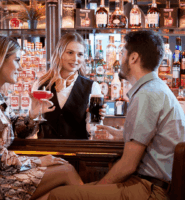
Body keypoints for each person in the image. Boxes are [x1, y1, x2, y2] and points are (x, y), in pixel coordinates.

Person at [47, 30, 185, 200]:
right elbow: (152, 138)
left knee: (58, 195)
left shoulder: (146, 94)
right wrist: (120, 134)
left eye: (122, 53)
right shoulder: (155, 89)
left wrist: (98, 188)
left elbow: (128, 165)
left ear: (133, 58)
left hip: (150, 189)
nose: (118, 59)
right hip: (153, 185)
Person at [0, 36, 84, 200]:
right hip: (3, 180)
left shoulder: (1, 98)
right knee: (66, 171)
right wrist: (38, 161)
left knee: (55, 194)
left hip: (6, 175)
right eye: (17, 60)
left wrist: (33, 114)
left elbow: (16, 129)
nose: (21, 67)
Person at [30, 32, 106, 139]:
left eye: (80, 54)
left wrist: (95, 118)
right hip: (46, 152)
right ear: (59, 54)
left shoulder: (92, 87)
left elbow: (95, 131)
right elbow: (31, 128)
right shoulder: (40, 85)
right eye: (70, 53)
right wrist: (31, 116)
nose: (75, 59)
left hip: (78, 152)